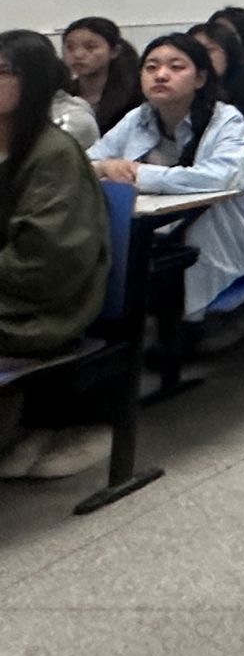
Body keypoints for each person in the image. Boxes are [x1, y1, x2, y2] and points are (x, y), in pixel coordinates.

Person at [0, 30, 114, 481]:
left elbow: (45, 261)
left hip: (42, 303)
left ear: (33, 82)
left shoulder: (52, 154)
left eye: (2, 72)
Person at [89, 33, 244, 321]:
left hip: (212, 225)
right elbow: (85, 161)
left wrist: (141, 174)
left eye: (176, 67)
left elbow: (221, 176)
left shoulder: (226, 119)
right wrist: (105, 167)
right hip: (149, 226)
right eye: (151, 67)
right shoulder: (138, 117)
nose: (161, 75)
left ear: (200, 79)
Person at [63, 17, 141, 137]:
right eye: (70, 47)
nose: (78, 54)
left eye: (90, 47)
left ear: (114, 51)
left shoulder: (136, 96)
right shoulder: (62, 96)